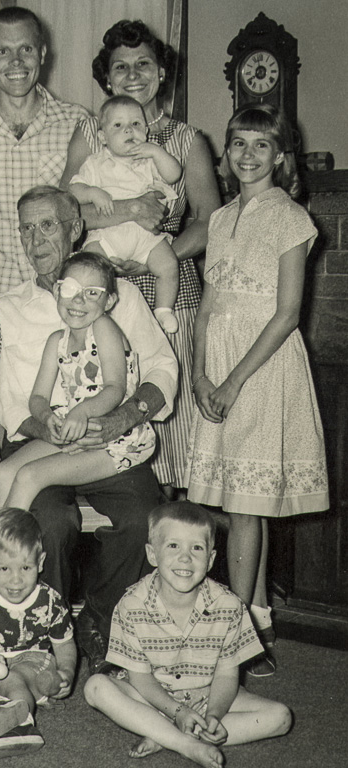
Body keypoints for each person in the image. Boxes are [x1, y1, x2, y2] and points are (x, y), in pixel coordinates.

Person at [0, 185, 177, 674]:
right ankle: (36, 633)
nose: (36, 239)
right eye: (27, 228)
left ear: (76, 228)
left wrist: (124, 415)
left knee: (144, 517)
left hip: (111, 438)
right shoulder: (8, 306)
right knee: (50, 523)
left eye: (48, 225)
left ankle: (101, 623)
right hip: (43, 440)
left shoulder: (119, 297)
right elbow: (15, 400)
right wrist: (47, 425)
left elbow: (162, 366)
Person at [185, 105, 329, 676]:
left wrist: (233, 381)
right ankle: (258, 621)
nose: (247, 155)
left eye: (260, 146)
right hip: (217, 365)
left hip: (262, 370)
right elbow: (206, 307)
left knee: (246, 507)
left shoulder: (290, 218)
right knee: (246, 503)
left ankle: (232, 639)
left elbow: (288, 313)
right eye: (238, 144)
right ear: (226, 154)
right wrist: (200, 373)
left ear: (280, 156)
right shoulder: (219, 220)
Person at [60, 19, 221, 492]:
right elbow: (69, 212)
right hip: (105, 289)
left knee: (173, 431)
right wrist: (129, 212)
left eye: (144, 64)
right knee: (111, 409)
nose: (133, 74)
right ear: (107, 79)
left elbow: (211, 219)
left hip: (168, 286)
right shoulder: (90, 134)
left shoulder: (187, 140)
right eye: (120, 67)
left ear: (162, 73)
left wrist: (160, 250)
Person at [84, 502, 292, 767]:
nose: (185, 558)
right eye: (173, 546)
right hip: (152, 695)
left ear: (211, 559)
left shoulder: (229, 606)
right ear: (151, 554)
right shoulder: (131, 604)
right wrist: (177, 710)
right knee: (96, 687)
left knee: (281, 717)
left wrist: (215, 714)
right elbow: (141, 678)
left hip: (208, 694)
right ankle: (187, 744)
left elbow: (227, 675)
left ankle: (165, 734)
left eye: (197, 548)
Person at [0, 252, 155, 510]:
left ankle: (7, 547)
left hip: (118, 441)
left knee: (28, 476)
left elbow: (115, 388)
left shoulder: (103, 327)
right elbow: (38, 398)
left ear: (110, 300)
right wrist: (47, 418)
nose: (79, 299)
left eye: (92, 292)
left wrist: (81, 412)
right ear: (57, 292)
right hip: (77, 434)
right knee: (4, 473)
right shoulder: (57, 341)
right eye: (70, 289)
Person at [0, 6, 89, 295]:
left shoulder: (76, 122)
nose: (16, 62)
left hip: (59, 291)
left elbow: (86, 207)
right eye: (3, 51)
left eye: (26, 49)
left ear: (42, 53)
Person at [0, 508, 76, 759]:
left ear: (40, 562)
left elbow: (65, 646)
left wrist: (67, 672)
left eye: (25, 568)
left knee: (14, 678)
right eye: (4, 569)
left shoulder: (50, 600)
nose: (16, 580)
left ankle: (21, 723)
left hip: (30, 661)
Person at [68, 96, 181, 333]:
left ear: (146, 132)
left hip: (145, 235)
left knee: (169, 265)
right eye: (118, 126)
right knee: (88, 267)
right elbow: (72, 192)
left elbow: (173, 174)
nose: (129, 130)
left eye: (136, 124)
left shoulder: (149, 160)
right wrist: (92, 192)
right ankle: (90, 314)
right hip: (109, 236)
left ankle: (163, 311)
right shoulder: (95, 163)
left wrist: (156, 152)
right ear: (102, 137)